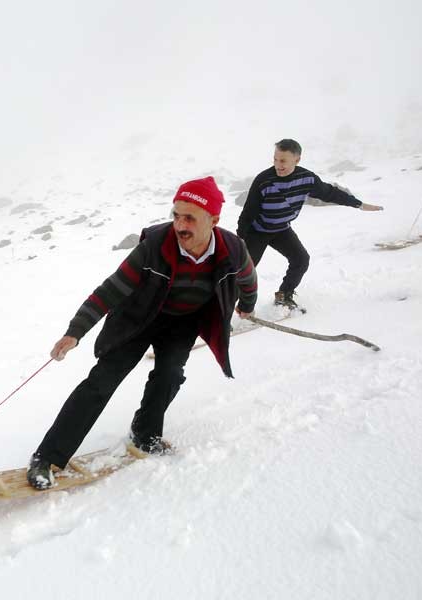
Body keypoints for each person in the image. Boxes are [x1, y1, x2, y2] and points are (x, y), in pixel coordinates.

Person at [26, 176, 258, 490]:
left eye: (190, 217)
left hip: (182, 322)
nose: (179, 225)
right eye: (176, 215)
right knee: (101, 382)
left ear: (213, 220)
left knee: (170, 374)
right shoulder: (154, 247)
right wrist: (75, 332)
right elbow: (109, 291)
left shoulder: (232, 249)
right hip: (137, 319)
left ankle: (146, 432)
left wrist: (247, 303)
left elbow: (248, 278)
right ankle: (48, 456)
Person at [236, 139, 383, 310]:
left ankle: (284, 296)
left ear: (297, 160)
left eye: (283, 160)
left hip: (282, 230)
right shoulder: (264, 180)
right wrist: (241, 240)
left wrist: (358, 204)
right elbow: (247, 214)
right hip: (257, 232)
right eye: (275, 159)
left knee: (300, 260)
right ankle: (221, 312)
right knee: (243, 272)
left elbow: (329, 193)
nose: (278, 165)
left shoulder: (306, 178)